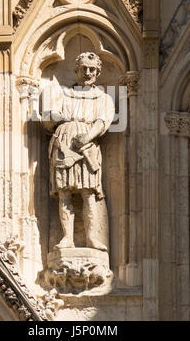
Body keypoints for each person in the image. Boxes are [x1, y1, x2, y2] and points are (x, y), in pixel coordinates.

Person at [42, 52, 115, 251]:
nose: (88, 72)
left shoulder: (103, 98)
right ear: (76, 70)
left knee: (88, 192)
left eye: (92, 69)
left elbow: (102, 121)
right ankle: (67, 238)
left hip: (86, 146)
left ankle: (91, 238)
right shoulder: (63, 94)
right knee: (64, 192)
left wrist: (88, 136)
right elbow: (48, 119)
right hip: (64, 143)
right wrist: (57, 117)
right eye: (84, 68)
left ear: (98, 72)